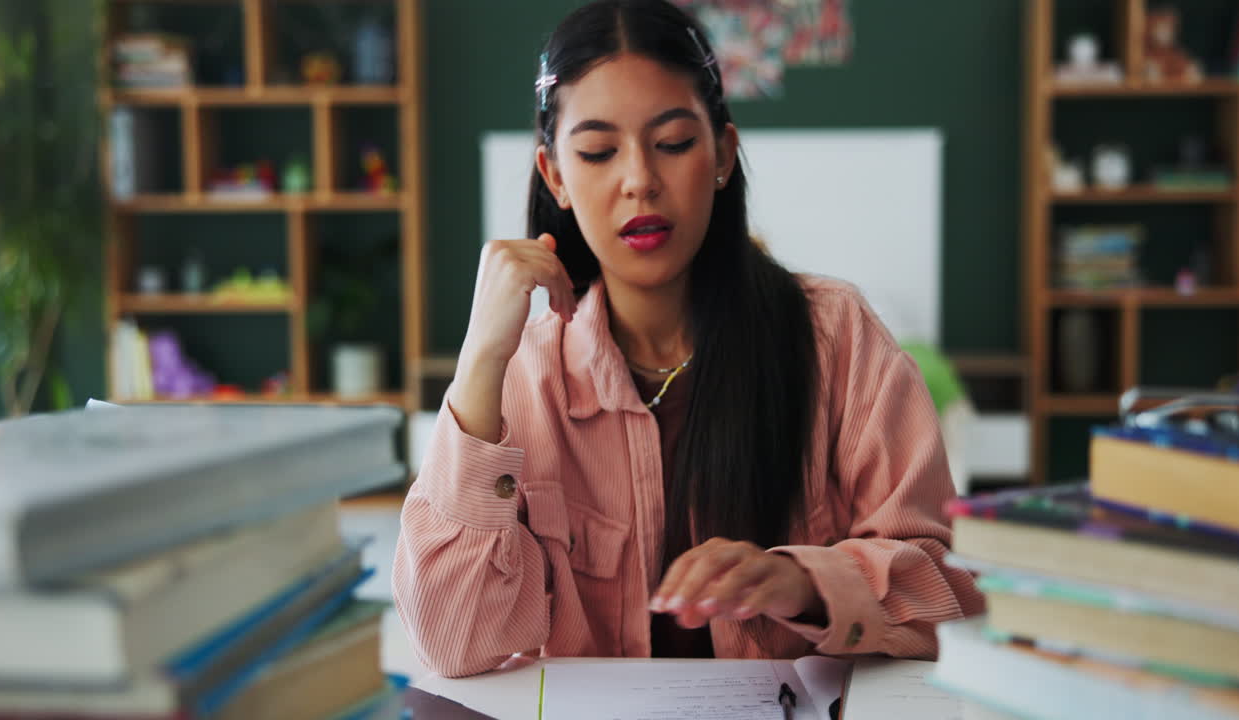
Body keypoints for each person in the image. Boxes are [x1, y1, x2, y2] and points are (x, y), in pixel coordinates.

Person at [393, 0, 983, 678]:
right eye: (597, 151)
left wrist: (804, 583)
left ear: (724, 154)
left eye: (672, 143)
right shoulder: (523, 380)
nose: (639, 180)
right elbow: (452, 643)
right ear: (555, 175)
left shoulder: (837, 339)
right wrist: (480, 361)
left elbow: (945, 596)